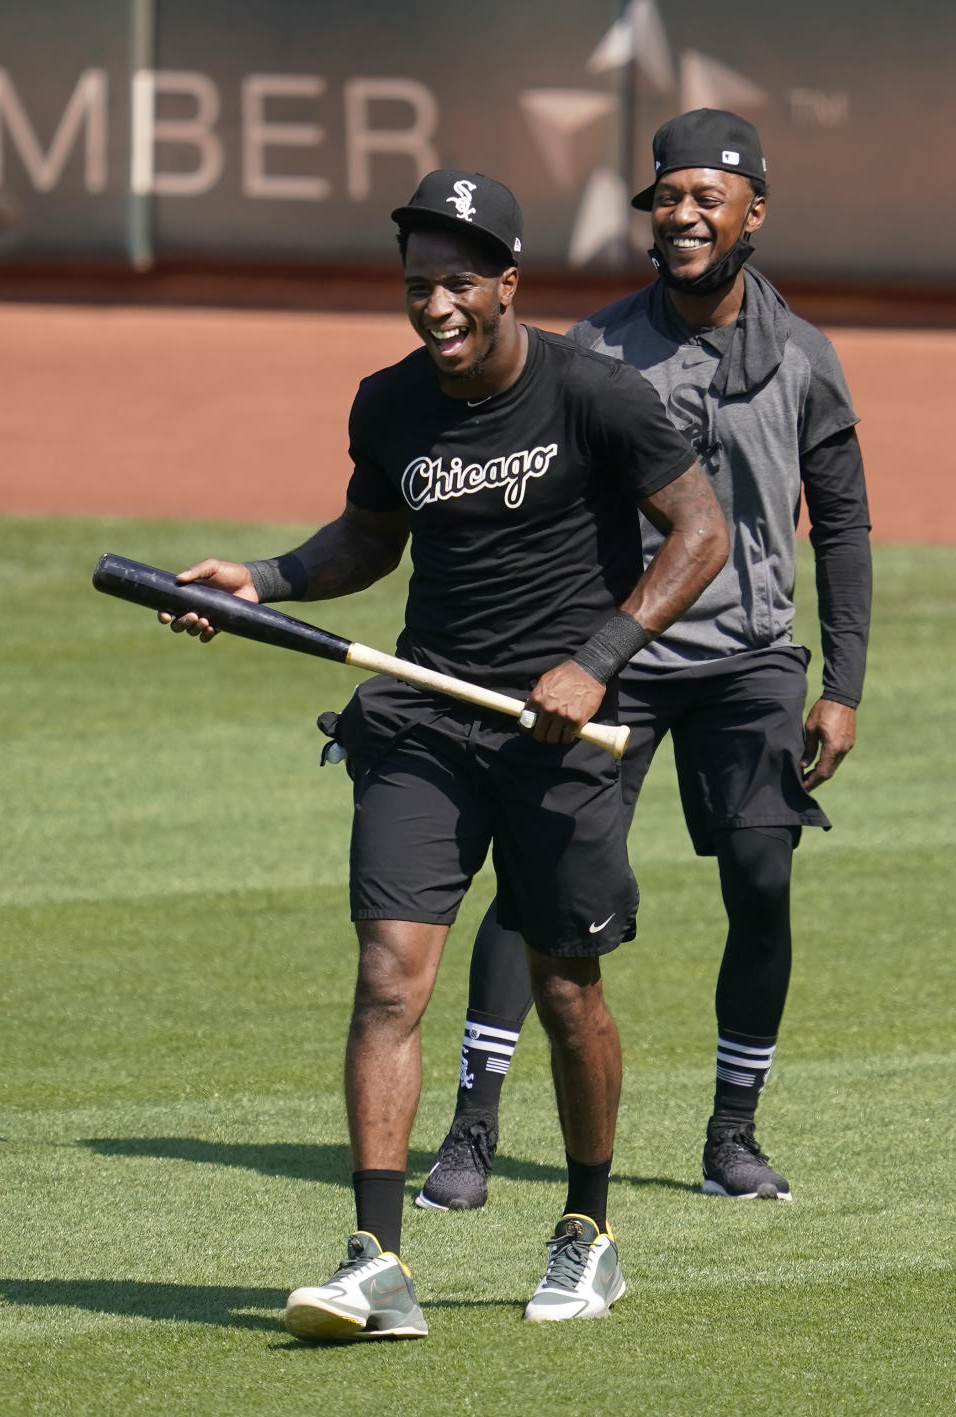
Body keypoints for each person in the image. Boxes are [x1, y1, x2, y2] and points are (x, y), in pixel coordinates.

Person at [159, 168, 729, 1337]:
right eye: (420, 288)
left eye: (460, 286)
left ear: (508, 285)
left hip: (559, 734)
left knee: (570, 993)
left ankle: (588, 1230)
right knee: (389, 976)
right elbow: (371, 537)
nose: (437, 310)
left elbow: (702, 532)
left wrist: (600, 655)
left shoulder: (597, 395)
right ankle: (378, 1260)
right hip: (423, 724)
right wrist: (260, 580)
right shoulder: (390, 404)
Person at [418, 110, 872, 1212]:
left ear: (752, 213)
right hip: (610, 652)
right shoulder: (597, 352)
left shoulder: (805, 356)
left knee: (764, 880)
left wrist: (842, 685)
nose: (683, 214)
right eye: (667, 196)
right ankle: (472, 1131)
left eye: (707, 197)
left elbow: (844, 521)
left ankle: (732, 1134)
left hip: (751, 662)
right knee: (536, 886)